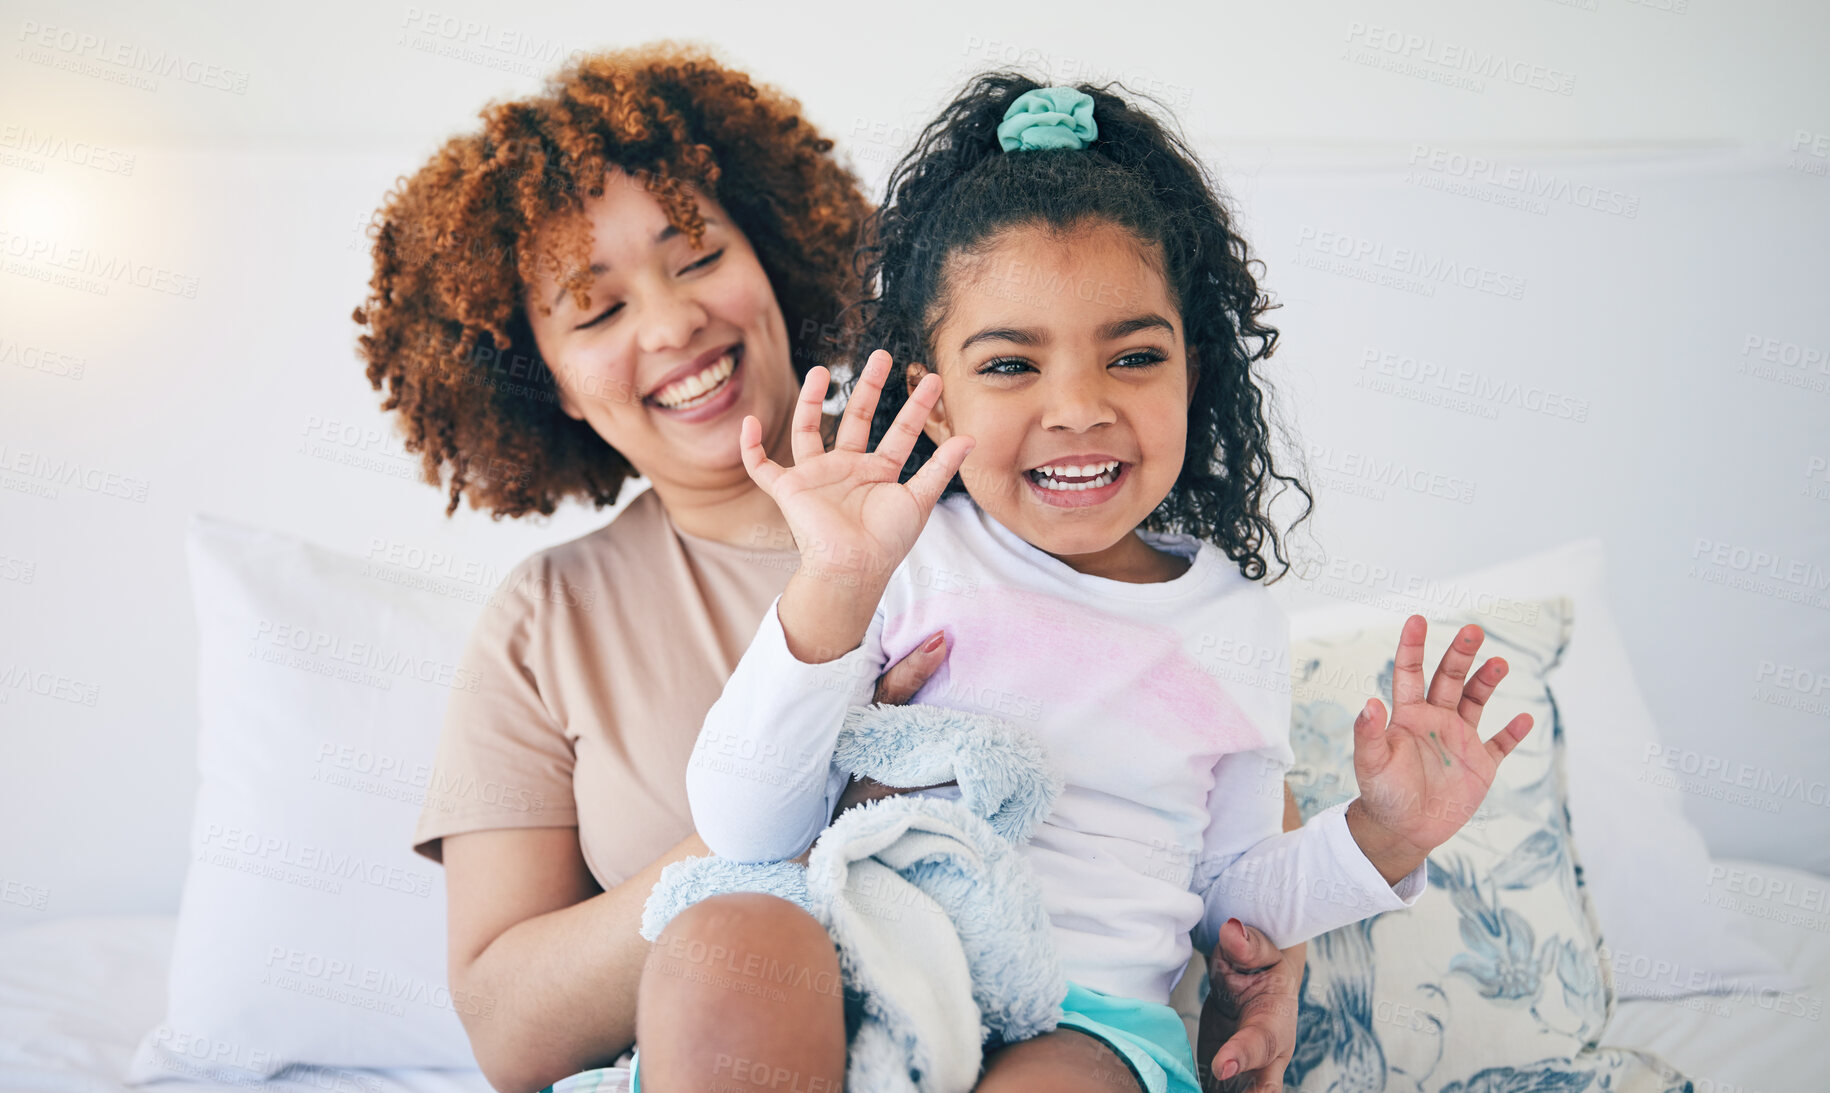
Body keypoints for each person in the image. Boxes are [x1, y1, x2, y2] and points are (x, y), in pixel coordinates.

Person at [354, 46, 1308, 1093]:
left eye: (698, 256)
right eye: (597, 309)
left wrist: (1274, 960)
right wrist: (826, 807)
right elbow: (507, 1029)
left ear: (773, 256)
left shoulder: (1000, 475)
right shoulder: (548, 620)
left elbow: (1190, 743)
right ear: (549, 382)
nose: (672, 324)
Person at [652, 80, 1535, 1093]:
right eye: (1011, 365)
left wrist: (1383, 834)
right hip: (855, 956)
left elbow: (1233, 899)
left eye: (1133, 356)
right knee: (717, 939)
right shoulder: (896, 558)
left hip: (1085, 1018)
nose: (1078, 406)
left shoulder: (1228, 625)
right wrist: (833, 588)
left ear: (1192, 375)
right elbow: (745, 828)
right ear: (932, 406)